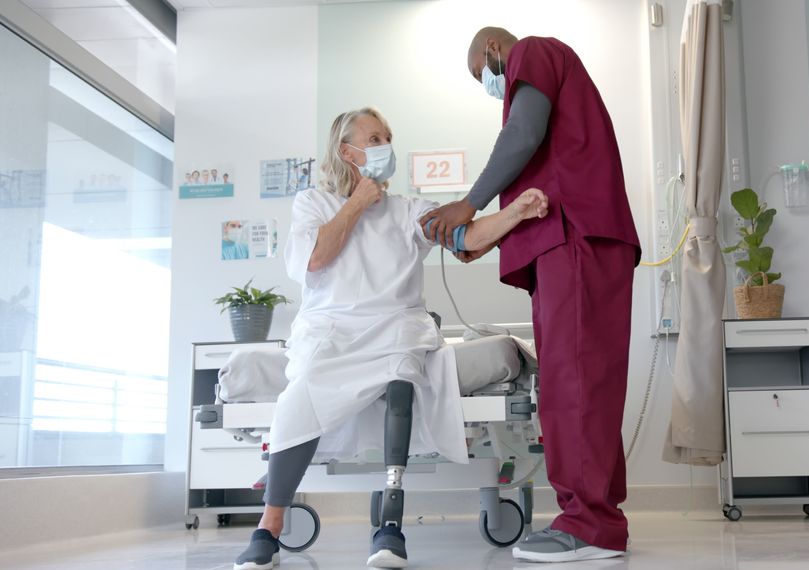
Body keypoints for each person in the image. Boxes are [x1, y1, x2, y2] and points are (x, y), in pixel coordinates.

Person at [232, 107, 548, 570]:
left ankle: (391, 525)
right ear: (348, 152)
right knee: (301, 391)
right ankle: (269, 526)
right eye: (374, 139)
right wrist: (359, 201)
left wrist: (516, 212)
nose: (385, 147)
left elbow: (466, 236)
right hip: (332, 329)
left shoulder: (409, 209)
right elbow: (315, 259)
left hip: (397, 324)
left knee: (404, 372)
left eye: (387, 138)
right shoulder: (313, 204)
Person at [420, 27, 640, 563]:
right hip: (571, 242)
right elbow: (536, 186)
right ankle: (596, 514)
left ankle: (589, 525)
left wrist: (467, 205)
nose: (490, 86)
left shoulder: (533, 52)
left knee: (576, 380)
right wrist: (488, 232)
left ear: (495, 51)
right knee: (583, 380)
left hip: (577, 240)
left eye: (483, 75)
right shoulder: (554, 94)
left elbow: (521, 135)